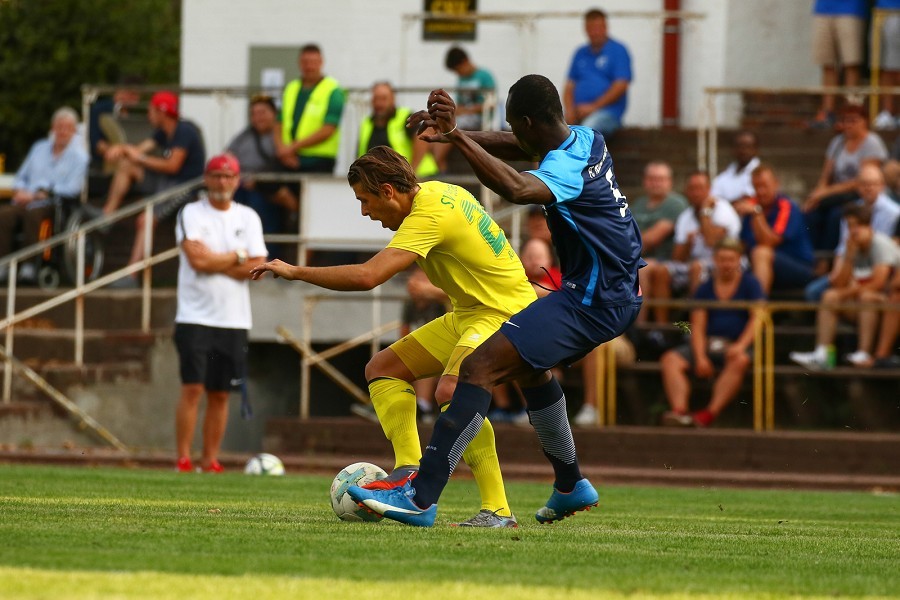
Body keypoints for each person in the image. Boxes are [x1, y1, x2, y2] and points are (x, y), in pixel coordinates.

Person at [348, 74, 643, 527]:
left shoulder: (565, 170)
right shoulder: (586, 139)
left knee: (478, 367)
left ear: (528, 123)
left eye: (512, 125)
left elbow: (518, 189)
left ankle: (421, 497)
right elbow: (516, 145)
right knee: (530, 371)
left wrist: (460, 138)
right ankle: (570, 485)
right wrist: (454, 134)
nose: (510, 133)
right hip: (604, 290)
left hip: (596, 299)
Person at [251, 145, 537, 528]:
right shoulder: (439, 192)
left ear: (388, 191)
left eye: (364, 200)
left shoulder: (427, 215)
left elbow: (368, 276)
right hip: (472, 313)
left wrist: (295, 271)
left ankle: (496, 509)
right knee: (383, 368)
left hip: (504, 314)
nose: (364, 212)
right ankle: (407, 472)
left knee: (453, 391)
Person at [173, 154, 268, 473]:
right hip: (194, 316)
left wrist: (219, 260)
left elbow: (257, 267)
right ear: (206, 178)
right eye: (216, 175)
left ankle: (209, 459)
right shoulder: (191, 212)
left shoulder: (248, 217)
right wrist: (238, 257)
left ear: (237, 180)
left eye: (228, 176)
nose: (222, 181)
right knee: (192, 388)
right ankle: (183, 458)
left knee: (220, 393)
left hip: (233, 319)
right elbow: (197, 261)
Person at [99, 91, 206, 287]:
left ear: (161, 112)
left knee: (145, 219)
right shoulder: (163, 131)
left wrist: (137, 157)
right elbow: (138, 151)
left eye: (151, 111)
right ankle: (107, 217)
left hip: (183, 188)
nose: (148, 116)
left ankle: (132, 275)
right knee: (126, 165)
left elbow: (172, 166)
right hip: (164, 182)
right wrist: (121, 149)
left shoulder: (184, 131)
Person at [660, 238, 764, 428]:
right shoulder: (705, 288)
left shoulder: (751, 284)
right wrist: (700, 357)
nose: (726, 264)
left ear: (739, 260)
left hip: (736, 345)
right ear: (715, 260)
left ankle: (709, 414)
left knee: (740, 360)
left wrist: (740, 346)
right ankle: (679, 412)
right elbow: (698, 326)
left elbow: (757, 319)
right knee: (670, 360)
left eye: (731, 260)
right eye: (722, 259)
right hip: (708, 343)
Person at [790, 204, 900, 369]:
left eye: (857, 226)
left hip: (887, 303)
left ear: (868, 226)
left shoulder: (880, 244)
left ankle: (864, 352)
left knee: (867, 297)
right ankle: (822, 353)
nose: (853, 231)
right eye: (850, 226)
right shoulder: (851, 246)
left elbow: (879, 283)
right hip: (863, 303)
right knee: (830, 296)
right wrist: (848, 256)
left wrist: (847, 292)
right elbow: (839, 284)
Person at [0, 107, 89, 284]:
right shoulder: (39, 148)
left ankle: (29, 266)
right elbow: (21, 177)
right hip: (26, 199)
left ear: (74, 131)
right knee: (4, 214)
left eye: (67, 128)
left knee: (34, 215)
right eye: (59, 127)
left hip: (54, 203)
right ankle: (3, 264)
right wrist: (21, 191)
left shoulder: (80, 157)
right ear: (52, 128)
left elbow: (73, 188)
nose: (62, 131)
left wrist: (44, 192)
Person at [641, 171, 741, 324]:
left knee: (696, 267)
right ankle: (662, 329)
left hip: (725, 263)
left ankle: (695, 325)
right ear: (687, 191)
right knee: (662, 270)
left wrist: (705, 213)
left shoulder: (723, 209)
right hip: (693, 263)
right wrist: (688, 243)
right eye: (692, 189)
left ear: (709, 190)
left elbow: (711, 242)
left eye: (700, 188)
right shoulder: (685, 216)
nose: (696, 193)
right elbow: (677, 258)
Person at [805, 163, 900, 301]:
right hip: (853, 263)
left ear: (882, 186)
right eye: (864, 184)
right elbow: (843, 247)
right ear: (858, 187)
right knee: (818, 293)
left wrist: (846, 292)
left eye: (873, 184)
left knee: (864, 297)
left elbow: (891, 251)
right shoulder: (851, 211)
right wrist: (837, 273)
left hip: (879, 266)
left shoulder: (895, 213)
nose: (869, 188)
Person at [804, 103, 888, 253]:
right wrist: (816, 195)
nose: (848, 125)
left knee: (836, 216)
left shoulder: (872, 143)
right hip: (834, 194)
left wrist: (827, 192)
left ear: (864, 121)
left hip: (857, 193)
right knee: (812, 212)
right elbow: (826, 175)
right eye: (845, 120)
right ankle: (812, 254)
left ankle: (827, 256)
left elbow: (862, 179)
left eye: (853, 120)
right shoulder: (837, 142)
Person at [226, 94, 297, 260]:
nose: (258, 118)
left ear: (274, 114)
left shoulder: (282, 135)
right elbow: (228, 156)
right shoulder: (245, 135)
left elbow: (287, 162)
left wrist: (258, 181)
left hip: (268, 189)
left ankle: (267, 257)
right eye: (254, 114)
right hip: (241, 186)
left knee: (261, 209)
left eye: (263, 113)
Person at [733, 164, 814, 295]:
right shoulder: (752, 207)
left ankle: (759, 306)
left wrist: (756, 213)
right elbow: (744, 243)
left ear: (776, 184)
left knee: (761, 252)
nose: (761, 191)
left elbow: (769, 242)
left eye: (764, 186)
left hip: (798, 267)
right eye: (756, 187)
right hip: (761, 267)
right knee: (728, 260)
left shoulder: (787, 207)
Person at [563, 8, 632, 138]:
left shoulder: (618, 50)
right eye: (591, 28)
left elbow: (621, 85)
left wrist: (593, 107)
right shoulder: (580, 52)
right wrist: (570, 110)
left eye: (598, 28)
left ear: (606, 27)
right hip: (577, 113)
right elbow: (569, 86)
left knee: (587, 129)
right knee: (551, 127)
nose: (595, 32)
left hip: (607, 113)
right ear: (585, 29)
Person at [276, 44, 345, 174]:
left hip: (319, 159)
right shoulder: (291, 88)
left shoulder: (333, 90)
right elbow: (279, 122)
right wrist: (282, 150)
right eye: (305, 62)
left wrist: (292, 148)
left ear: (321, 62)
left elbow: (328, 129)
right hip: (289, 158)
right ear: (299, 63)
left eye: (313, 62)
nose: (309, 66)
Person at [432, 47, 496, 173]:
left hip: (479, 118)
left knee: (449, 126)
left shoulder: (484, 76)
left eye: (458, 69)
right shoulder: (462, 79)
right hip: (463, 116)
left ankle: (438, 161)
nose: (458, 73)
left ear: (465, 61)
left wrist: (466, 110)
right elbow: (460, 104)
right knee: (438, 120)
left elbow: (490, 104)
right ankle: (439, 163)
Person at [358, 81, 438, 178]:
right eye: (376, 99)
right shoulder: (366, 123)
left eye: (383, 99)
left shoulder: (404, 117)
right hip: (385, 180)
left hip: (420, 177)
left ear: (393, 99)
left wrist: (411, 173)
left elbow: (422, 139)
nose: (379, 103)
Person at [810, 0, 867, 127]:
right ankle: (827, 112)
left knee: (851, 63)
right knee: (827, 63)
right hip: (822, 9)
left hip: (851, 10)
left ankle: (851, 113)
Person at [710, 131, 761, 204]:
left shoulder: (760, 173)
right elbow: (713, 197)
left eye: (748, 146)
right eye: (740, 146)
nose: (743, 151)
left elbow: (749, 199)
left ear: (756, 149)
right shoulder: (725, 174)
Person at [872, 0, 900, 130]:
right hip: (881, 12)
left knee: (896, 67)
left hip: (896, 12)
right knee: (884, 66)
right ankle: (887, 113)